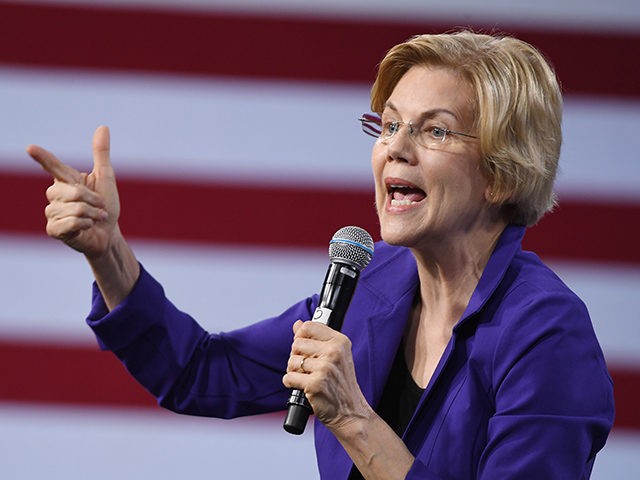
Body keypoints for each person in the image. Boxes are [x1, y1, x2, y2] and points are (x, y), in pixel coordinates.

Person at [27, 30, 614, 479]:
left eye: (434, 131)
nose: (395, 151)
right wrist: (108, 254)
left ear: (502, 175)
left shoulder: (546, 333)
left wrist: (352, 418)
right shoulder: (374, 285)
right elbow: (200, 373)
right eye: (387, 126)